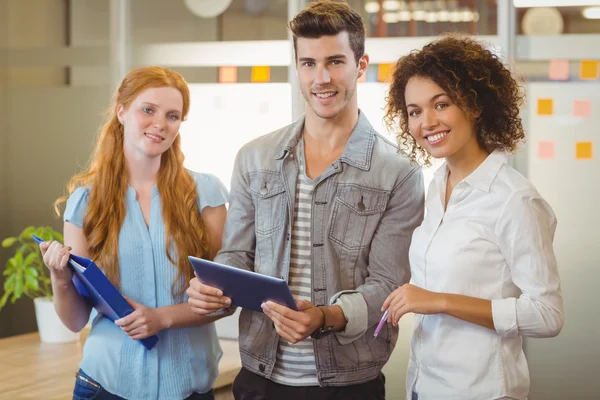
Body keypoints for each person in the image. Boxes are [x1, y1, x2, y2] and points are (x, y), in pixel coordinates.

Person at [186, 2, 424, 400]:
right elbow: (237, 255)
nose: (322, 78)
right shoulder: (254, 158)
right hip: (259, 376)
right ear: (297, 66)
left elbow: (387, 286)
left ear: (361, 65)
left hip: (349, 383)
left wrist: (324, 316)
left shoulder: (398, 172)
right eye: (309, 63)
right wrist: (212, 289)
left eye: (335, 62)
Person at [382, 34, 565, 400]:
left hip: (482, 390)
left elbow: (547, 315)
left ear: (475, 105)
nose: (427, 122)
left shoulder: (513, 199)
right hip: (424, 385)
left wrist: (441, 300)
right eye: (415, 111)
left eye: (442, 104)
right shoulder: (436, 187)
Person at [39, 66, 229, 400]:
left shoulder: (204, 194)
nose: (160, 124)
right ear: (122, 111)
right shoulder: (86, 202)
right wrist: (60, 276)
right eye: (148, 110)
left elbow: (225, 301)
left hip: (190, 387)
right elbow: (74, 320)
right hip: (105, 386)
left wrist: (163, 318)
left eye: (172, 115)